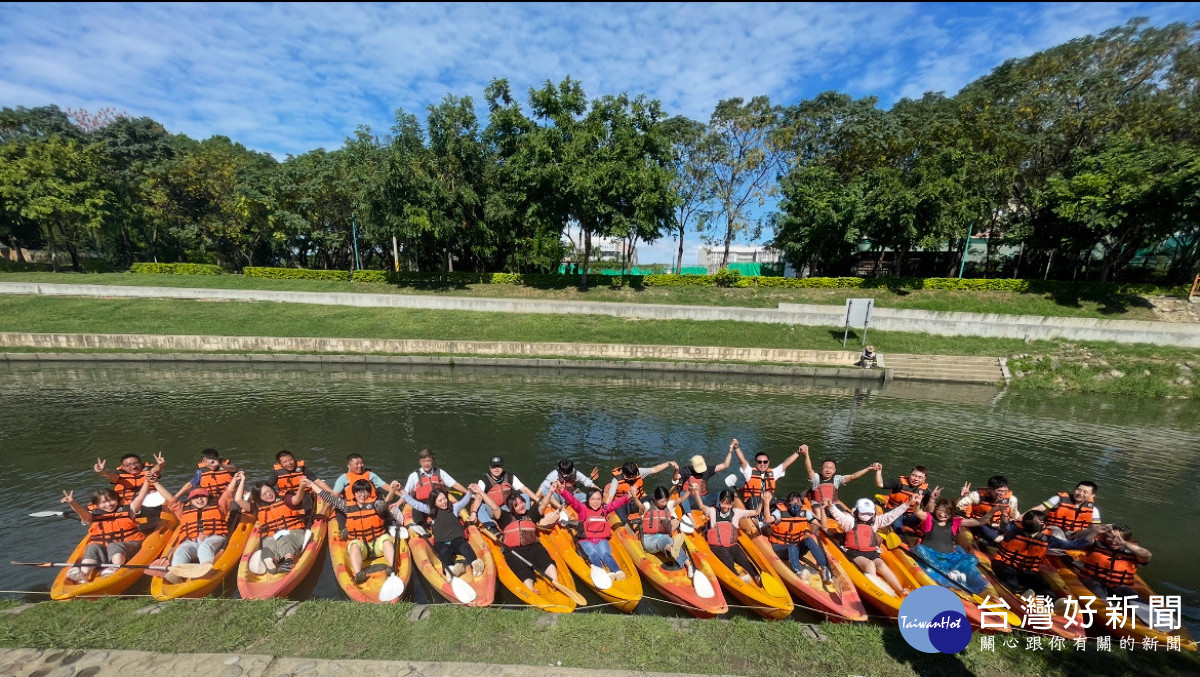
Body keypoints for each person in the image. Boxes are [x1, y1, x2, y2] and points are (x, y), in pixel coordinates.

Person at [60, 476, 155, 583]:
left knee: (114, 545)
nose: (108, 504)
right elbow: (82, 513)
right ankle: (84, 574)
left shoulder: (129, 510)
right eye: (103, 502)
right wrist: (72, 503)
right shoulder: (92, 516)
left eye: (111, 500)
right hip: (104, 549)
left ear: (117, 499)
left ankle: (115, 569)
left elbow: (140, 497)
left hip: (129, 546)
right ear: (97, 505)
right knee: (93, 547)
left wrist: (147, 481)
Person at [153, 472, 244, 582]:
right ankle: (176, 573)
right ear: (191, 500)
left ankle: (206, 570)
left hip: (214, 538)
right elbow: (170, 499)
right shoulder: (183, 510)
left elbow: (228, 493)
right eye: (196, 497)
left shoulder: (219, 507)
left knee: (205, 547)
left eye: (202, 497)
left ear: (207, 498)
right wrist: (156, 483)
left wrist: (234, 480)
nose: (199, 500)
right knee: (181, 550)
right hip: (192, 541)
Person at [824, 495, 918, 596]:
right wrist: (830, 506)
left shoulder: (875, 522)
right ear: (858, 512)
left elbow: (891, 515)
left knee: (882, 565)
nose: (866, 515)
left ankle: (899, 589)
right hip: (854, 552)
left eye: (868, 513)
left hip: (871, 552)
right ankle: (875, 590)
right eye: (863, 513)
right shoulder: (850, 521)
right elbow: (838, 515)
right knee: (870, 565)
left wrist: (908, 504)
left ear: (872, 514)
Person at [311, 478, 400, 584]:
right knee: (354, 544)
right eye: (359, 491)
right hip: (362, 549)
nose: (362, 494)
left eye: (365, 491)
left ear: (369, 492)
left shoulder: (376, 505)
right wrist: (311, 484)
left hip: (377, 546)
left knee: (386, 540)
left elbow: (387, 501)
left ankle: (392, 567)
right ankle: (359, 574)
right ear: (354, 493)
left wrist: (392, 490)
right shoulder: (348, 507)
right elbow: (329, 498)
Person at [477, 484, 564, 592]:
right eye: (516, 505)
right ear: (511, 508)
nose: (521, 505)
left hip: (533, 547)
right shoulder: (505, 517)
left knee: (545, 560)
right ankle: (530, 589)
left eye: (522, 502)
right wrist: (481, 492)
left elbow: (542, 505)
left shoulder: (531, 514)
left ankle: (555, 581)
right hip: (514, 551)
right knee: (522, 569)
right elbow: (494, 507)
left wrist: (550, 491)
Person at [990, 510, 1094, 597]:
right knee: (1010, 579)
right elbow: (1004, 526)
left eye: (1042, 522)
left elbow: (1073, 545)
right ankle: (1019, 595)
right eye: (1038, 521)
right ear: (1027, 521)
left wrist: (1094, 533)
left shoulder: (1047, 538)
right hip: (1004, 564)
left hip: (1027, 570)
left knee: (1044, 586)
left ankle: (1054, 604)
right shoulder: (1014, 529)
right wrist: (1004, 516)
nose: (1041, 523)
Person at [910, 490, 993, 595]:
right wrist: (917, 504)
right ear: (936, 509)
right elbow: (917, 512)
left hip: (948, 557)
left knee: (970, 560)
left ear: (951, 513)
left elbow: (981, 521)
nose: (942, 514)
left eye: (946, 512)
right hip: (929, 555)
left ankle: (960, 579)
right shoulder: (929, 518)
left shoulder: (954, 522)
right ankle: (949, 581)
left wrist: (993, 510)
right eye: (939, 510)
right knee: (920, 551)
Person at [397, 485, 483, 578]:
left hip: (456, 540)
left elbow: (464, 501)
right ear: (434, 503)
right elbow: (415, 504)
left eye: (444, 499)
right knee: (444, 552)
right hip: (441, 543)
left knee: (464, 546)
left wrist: (470, 491)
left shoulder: (454, 508)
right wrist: (402, 490)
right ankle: (451, 569)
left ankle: (475, 564)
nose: (444, 502)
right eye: (440, 501)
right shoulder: (431, 511)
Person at [557, 482, 632, 580]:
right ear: (588, 500)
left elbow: (615, 504)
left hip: (601, 539)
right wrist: (563, 491)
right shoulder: (583, 509)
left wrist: (627, 496)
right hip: (586, 540)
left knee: (606, 554)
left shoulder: (604, 509)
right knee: (593, 554)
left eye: (598, 499)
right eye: (592, 499)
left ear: (602, 500)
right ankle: (600, 572)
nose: (595, 502)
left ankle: (616, 571)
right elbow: (573, 501)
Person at [235, 479, 310, 574]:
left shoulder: (285, 498)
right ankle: (272, 560)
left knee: (285, 541)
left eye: (269, 491)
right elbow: (238, 499)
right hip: (272, 535)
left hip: (293, 531)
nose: (269, 494)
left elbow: (295, 500)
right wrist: (242, 480)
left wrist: (302, 487)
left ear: (273, 489)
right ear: (259, 498)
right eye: (264, 494)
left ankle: (288, 561)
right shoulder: (257, 508)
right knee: (269, 543)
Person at [762, 490, 834, 583]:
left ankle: (824, 568)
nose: (796, 507)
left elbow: (823, 526)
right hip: (780, 549)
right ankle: (798, 572)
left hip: (797, 548)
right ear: (787, 504)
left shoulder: (805, 513)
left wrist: (823, 509)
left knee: (809, 540)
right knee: (791, 546)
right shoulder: (779, 512)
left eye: (798, 504)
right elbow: (767, 519)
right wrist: (767, 503)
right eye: (793, 504)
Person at [1074, 524, 1151, 602]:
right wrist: (1095, 531)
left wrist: (1124, 543)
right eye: (1110, 537)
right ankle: (1104, 605)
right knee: (1098, 592)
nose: (1113, 541)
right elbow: (1077, 535)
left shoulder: (1133, 553)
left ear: (1126, 540)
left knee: (1137, 600)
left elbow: (1147, 555)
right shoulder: (1096, 544)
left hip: (1120, 587)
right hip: (1094, 581)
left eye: (1118, 538)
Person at [701, 489, 764, 585]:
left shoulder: (736, 512)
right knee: (728, 560)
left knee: (744, 560)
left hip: (731, 545)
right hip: (717, 546)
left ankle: (757, 576)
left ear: (732, 503)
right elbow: (702, 507)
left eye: (728, 504)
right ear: (720, 501)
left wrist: (763, 501)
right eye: (723, 503)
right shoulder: (713, 512)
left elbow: (756, 511)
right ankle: (737, 581)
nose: (726, 506)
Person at [470, 456, 539, 532]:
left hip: (508, 507)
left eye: (499, 466)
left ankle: (526, 518)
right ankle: (491, 526)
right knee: (479, 506)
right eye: (494, 466)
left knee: (524, 496)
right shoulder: (483, 481)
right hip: (493, 510)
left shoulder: (510, 477)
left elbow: (524, 489)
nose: (496, 469)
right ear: (490, 467)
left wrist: (539, 500)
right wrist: (473, 512)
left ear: (502, 466)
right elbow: (479, 497)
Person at [639, 485, 695, 577]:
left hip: (662, 537)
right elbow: (641, 511)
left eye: (666, 501)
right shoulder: (647, 506)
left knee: (668, 541)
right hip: (650, 540)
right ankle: (673, 550)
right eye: (662, 501)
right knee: (665, 541)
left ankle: (689, 566)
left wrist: (689, 491)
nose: (664, 503)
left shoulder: (668, 505)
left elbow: (680, 500)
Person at [799, 444, 878, 508]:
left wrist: (868, 469)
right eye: (826, 468)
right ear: (821, 469)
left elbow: (853, 476)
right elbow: (809, 470)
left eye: (831, 468)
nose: (828, 470)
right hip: (818, 504)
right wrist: (806, 454)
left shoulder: (837, 479)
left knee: (847, 516)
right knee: (818, 514)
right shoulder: (816, 477)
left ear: (834, 471)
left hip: (833, 504)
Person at [734, 439, 802, 512]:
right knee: (755, 499)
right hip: (753, 503)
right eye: (759, 462)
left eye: (765, 462)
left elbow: (787, 463)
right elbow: (742, 461)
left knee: (784, 500)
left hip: (768, 502)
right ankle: (758, 520)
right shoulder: (749, 472)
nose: (762, 464)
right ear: (756, 463)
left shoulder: (773, 472)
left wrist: (798, 452)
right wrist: (737, 448)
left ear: (768, 462)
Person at [604, 459, 677, 522]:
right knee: (619, 511)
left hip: (639, 500)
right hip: (624, 505)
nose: (631, 479)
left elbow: (655, 469)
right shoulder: (616, 481)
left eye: (633, 477)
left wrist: (669, 463)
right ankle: (626, 527)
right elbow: (610, 497)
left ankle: (667, 515)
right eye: (627, 477)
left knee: (653, 496)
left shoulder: (638, 472)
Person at [956, 476, 1019, 544]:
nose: (1002, 494)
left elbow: (1016, 516)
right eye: (999, 491)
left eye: (1005, 491)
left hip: (998, 527)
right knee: (980, 525)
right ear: (990, 489)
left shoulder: (1012, 500)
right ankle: (998, 539)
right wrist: (962, 497)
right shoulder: (976, 496)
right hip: (978, 524)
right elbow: (957, 508)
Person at [1030, 481, 1101, 538]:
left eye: (1085, 492)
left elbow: (1095, 528)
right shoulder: (1059, 499)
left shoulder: (1094, 510)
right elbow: (1039, 508)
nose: (1080, 493)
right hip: (1054, 530)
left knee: (1091, 533)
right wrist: (1023, 517)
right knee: (1057, 533)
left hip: (1074, 535)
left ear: (1092, 496)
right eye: (1078, 490)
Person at [677, 442, 734, 513]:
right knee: (683, 493)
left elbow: (725, 465)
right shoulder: (685, 470)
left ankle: (718, 513)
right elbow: (676, 477)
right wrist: (676, 470)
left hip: (703, 500)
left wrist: (730, 450)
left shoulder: (708, 470)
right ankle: (688, 513)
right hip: (689, 500)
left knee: (720, 494)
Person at [93, 452, 165, 505]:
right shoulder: (118, 475)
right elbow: (111, 476)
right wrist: (102, 471)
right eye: (128, 465)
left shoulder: (149, 471)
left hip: (150, 503)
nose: (134, 467)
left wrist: (160, 465)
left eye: (136, 463)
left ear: (141, 463)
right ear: (123, 467)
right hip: (126, 505)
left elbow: (155, 470)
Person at [875, 464, 930, 532]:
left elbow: (929, 510)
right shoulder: (899, 482)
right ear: (910, 474)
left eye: (920, 477)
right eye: (914, 475)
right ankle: (900, 535)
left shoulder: (926, 491)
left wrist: (933, 498)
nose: (916, 479)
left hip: (911, 515)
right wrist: (878, 471)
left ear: (924, 479)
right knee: (898, 523)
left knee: (929, 519)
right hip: (894, 512)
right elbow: (880, 484)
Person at [403, 448, 469, 503]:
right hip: (422, 504)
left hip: (440, 503)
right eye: (423, 461)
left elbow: (455, 484)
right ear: (420, 462)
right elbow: (405, 493)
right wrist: (398, 503)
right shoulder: (413, 476)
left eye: (429, 461)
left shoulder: (440, 473)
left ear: (433, 461)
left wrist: (469, 493)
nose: (426, 464)